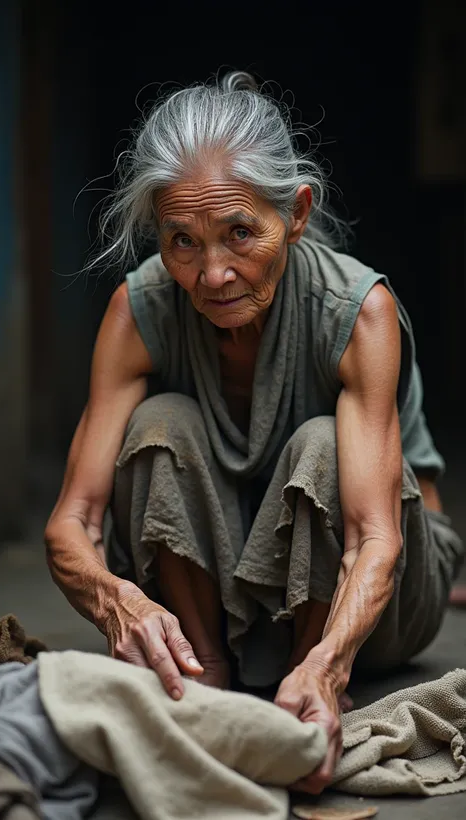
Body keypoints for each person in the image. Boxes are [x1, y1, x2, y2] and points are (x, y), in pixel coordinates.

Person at [45, 71, 463, 794]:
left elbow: (376, 539)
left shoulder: (356, 311)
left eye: (240, 232)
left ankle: (306, 699)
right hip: (219, 571)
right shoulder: (138, 310)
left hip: (372, 596)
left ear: (295, 214)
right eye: (182, 241)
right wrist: (122, 603)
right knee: (158, 424)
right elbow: (70, 523)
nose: (212, 273)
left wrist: (330, 664)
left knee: (325, 443)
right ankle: (204, 688)